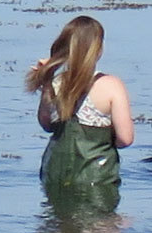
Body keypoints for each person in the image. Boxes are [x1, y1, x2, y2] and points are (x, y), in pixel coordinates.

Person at [26, 16, 134, 191]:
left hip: (54, 175)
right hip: (97, 179)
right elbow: (125, 139)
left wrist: (46, 82)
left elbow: (46, 124)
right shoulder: (112, 85)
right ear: (98, 49)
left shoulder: (55, 82)